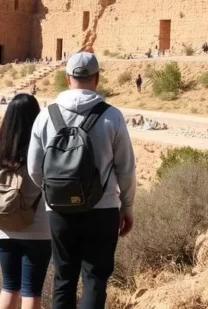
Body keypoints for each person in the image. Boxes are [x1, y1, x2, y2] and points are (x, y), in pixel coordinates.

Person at [28, 52, 136, 309]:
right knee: (95, 279)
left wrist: (54, 192)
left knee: (63, 279)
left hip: (59, 210)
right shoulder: (112, 116)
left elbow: (34, 167)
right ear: (97, 78)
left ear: (68, 78)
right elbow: (126, 168)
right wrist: (127, 206)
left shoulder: (46, 115)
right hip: (103, 208)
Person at [0, 95, 51, 309]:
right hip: (38, 228)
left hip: (2, 227)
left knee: (9, 286)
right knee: (31, 290)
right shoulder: (41, 147)